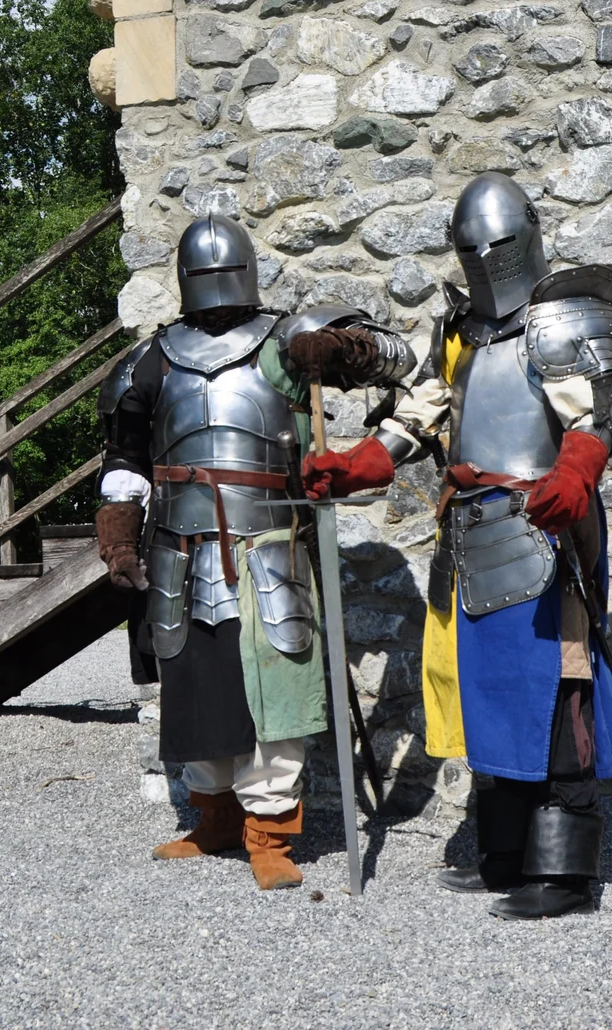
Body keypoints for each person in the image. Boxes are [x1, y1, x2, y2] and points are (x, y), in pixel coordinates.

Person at [302, 173, 612, 920]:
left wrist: (577, 468)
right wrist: (359, 464)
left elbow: (603, 416)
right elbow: (419, 415)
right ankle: (505, 857)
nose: (485, 262)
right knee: (490, 696)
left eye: (497, 246)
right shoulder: (458, 332)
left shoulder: (567, 319)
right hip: (471, 533)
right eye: (470, 250)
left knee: (558, 690)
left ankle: (563, 877)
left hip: (546, 528)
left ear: (528, 239)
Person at [95, 214, 415, 891]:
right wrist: (118, 532)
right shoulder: (151, 358)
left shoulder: (285, 343)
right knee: (195, 689)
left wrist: (341, 348)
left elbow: (398, 358)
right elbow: (123, 454)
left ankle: (269, 834)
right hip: (179, 548)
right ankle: (213, 821)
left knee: (276, 693)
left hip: (270, 546)